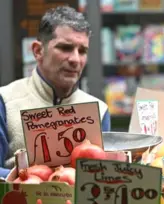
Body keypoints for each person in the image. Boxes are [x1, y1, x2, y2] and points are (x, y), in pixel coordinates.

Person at [0, 6, 110, 179]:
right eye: (65, 48)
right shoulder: (5, 100)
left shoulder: (99, 111)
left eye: (82, 51)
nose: (75, 59)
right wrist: (29, 179)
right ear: (38, 51)